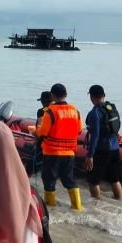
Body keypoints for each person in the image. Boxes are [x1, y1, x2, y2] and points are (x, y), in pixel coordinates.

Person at [36, 83, 84, 211]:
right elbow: (79, 130)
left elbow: (43, 132)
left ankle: (51, 209)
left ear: (52, 95)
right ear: (66, 94)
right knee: (70, 181)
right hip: (69, 153)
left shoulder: (50, 111)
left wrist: (37, 130)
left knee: (49, 182)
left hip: (52, 152)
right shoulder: (75, 110)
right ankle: (77, 207)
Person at [84, 84, 122, 199]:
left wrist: (90, 155)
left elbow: (95, 136)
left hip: (101, 150)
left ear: (91, 97)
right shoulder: (111, 108)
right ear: (104, 95)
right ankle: (119, 200)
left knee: (93, 181)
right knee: (114, 179)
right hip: (115, 148)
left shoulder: (94, 113)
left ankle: (96, 205)